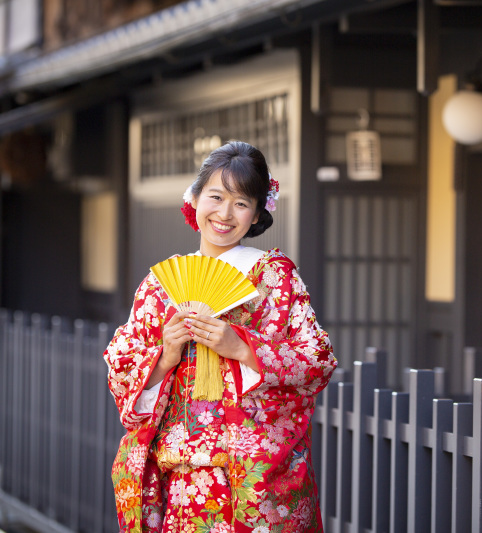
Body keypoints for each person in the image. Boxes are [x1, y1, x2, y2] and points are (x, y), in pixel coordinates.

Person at [104, 140, 336, 532]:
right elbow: (122, 367)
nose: (225, 214)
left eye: (242, 203)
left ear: (259, 212)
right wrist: (166, 355)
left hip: (252, 480)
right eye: (215, 196)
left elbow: (316, 361)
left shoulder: (274, 277)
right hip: (179, 479)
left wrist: (243, 348)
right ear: (194, 198)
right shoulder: (160, 285)